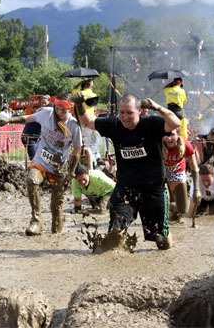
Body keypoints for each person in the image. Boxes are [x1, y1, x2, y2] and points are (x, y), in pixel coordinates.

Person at [73, 93, 181, 250]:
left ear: (139, 111)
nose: (125, 117)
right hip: (126, 188)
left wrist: (157, 107)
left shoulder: (151, 123)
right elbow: (88, 122)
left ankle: (167, 237)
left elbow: (175, 123)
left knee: (161, 242)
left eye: (129, 112)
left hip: (153, 188)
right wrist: (80, 104)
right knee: (115, 233)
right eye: (122, 112)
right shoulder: (114, 125)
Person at [0, 96, 82, 236]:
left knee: (56, 206)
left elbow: (77, 152)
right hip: (41, 160)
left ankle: (56, 234)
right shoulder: (46, 113)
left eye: (64, 111)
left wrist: (71, 173)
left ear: (70, 110)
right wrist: (8, 120)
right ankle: (36, 220)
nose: (60, 113)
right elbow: (27, 118)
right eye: (58, 109)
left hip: (59, 167)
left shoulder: (73, 125)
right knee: (32, 180)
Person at [163, 127, 200, 222]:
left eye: (172, 134)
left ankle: (176, 215)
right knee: (164, 206)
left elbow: (194, 167)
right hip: (162, 173)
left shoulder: (186, 146)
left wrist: (196, 190)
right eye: (166, 135)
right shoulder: (158, 144)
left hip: (178, 173)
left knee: (182, 209)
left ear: (179, 135)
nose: (168, 138)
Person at [21, 95, 49, 159]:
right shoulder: (41, 112)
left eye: (45, 103)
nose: (44, 104)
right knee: (34, 158)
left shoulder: (44, 111)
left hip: (36, 138)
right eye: (42, 103)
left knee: (39, 157)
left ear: (48, 103)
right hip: (29, 137)